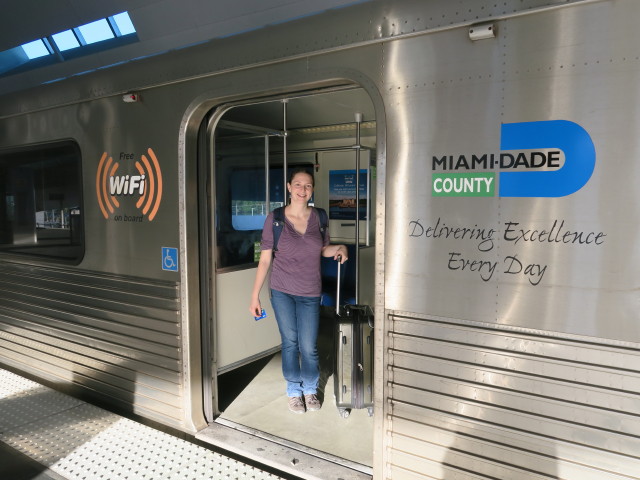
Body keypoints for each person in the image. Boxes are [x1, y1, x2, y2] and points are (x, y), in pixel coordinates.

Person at [250, 169, 348, 414]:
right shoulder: (275, 219)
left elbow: (323, 250)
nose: (302, 190)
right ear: (288, 187)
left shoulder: (320, 217)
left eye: (308, 185)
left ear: (312, 189)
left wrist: (341, 247)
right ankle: (294, 391)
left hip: (310, 291)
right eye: (298, 184)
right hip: (282, 290)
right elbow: (264, 261)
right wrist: (255, 296)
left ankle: (310, 389)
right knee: (291, 343)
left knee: (309, 345)